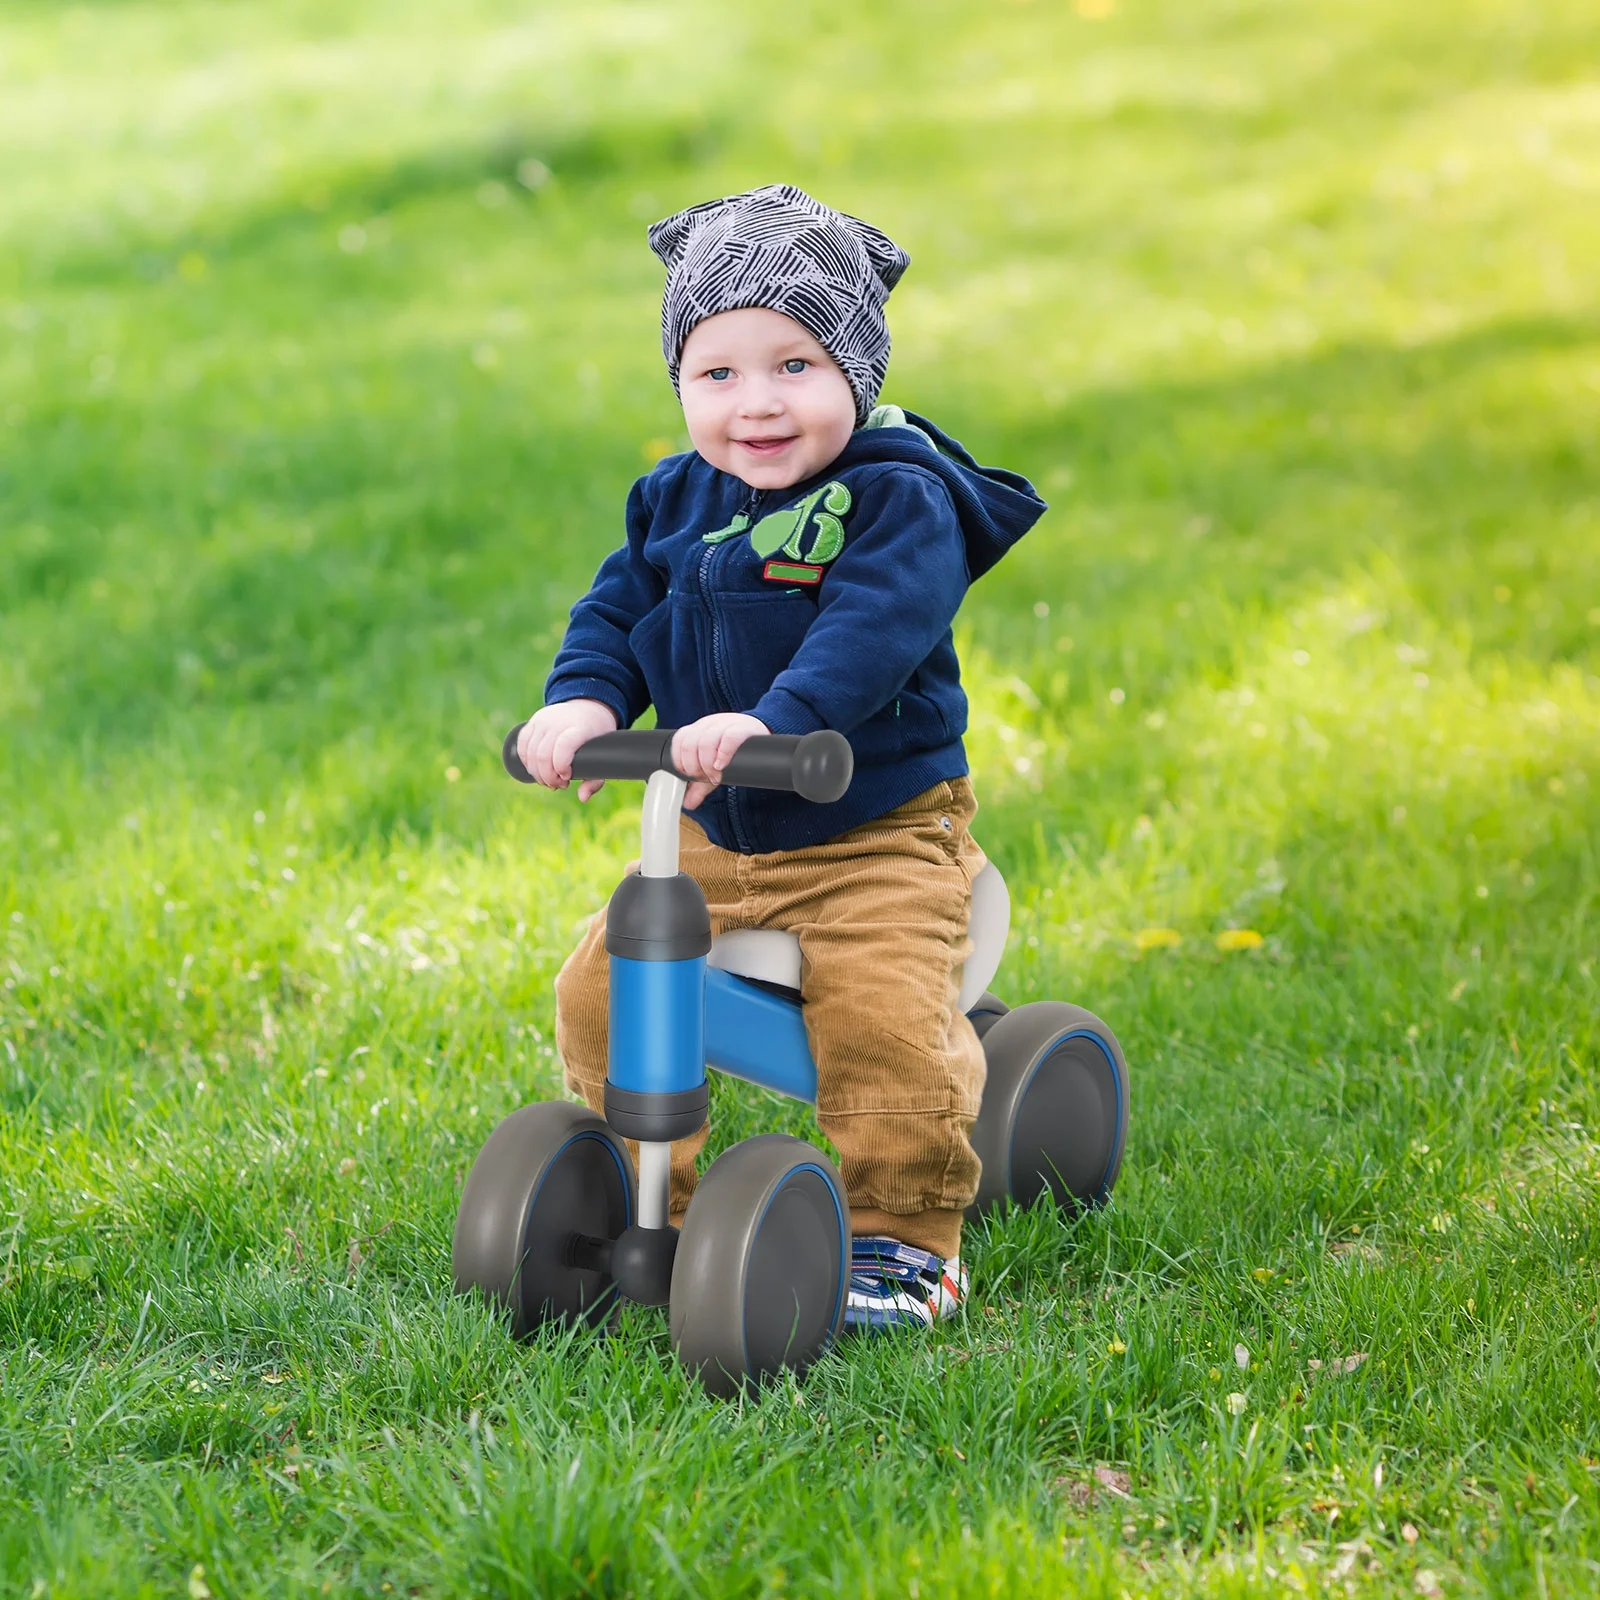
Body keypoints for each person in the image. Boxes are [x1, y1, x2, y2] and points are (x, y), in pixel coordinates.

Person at [517, 184, 1045, 1333]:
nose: (755, 404)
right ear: (681, 384)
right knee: (601, 989)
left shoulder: (897, 498)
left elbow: (874, 627)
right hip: (711, 835)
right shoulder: (674, 498)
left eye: (795, 365)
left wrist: (776, 719)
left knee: (881, 1022)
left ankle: (906, 1239)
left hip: (874, 830)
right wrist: (579, 702)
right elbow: (617, 609)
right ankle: (646, 1202)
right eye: (717, 374)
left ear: (856, 368)